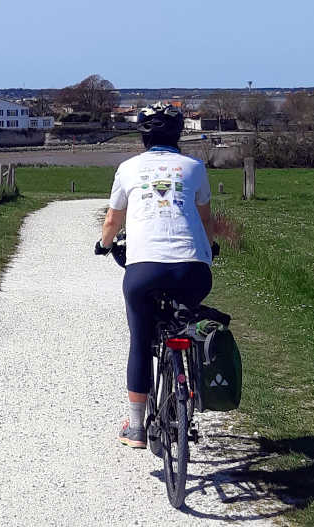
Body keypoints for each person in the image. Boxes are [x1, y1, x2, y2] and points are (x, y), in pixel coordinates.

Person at [95, 103, 215, 449]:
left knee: (140, 339)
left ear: (143, 136)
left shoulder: (128, 168)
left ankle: (135, 428)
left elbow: (111, 223)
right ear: (178, 135)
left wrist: (104, 246)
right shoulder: (194, 167)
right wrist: (210, 247)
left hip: (143, 271)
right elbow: (205, 220)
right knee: (185, 321)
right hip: (193, 270)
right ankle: (188, 380)